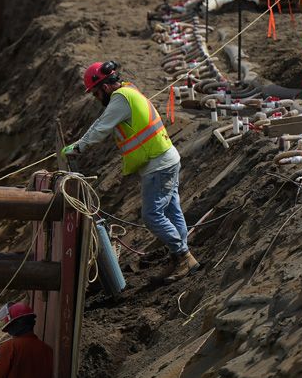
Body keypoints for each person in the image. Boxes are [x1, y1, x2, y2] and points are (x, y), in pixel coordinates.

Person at [62, 60, 200, 282]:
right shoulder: (130, 90)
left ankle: (183, 255)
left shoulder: (120, 98)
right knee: (172, 211)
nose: (96, 99)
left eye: (96, 93)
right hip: (167, 158)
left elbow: (101, 127)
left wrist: (78, 147)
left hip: (158, 165)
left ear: (105, 87)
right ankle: (182, 259)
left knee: (152, 215)